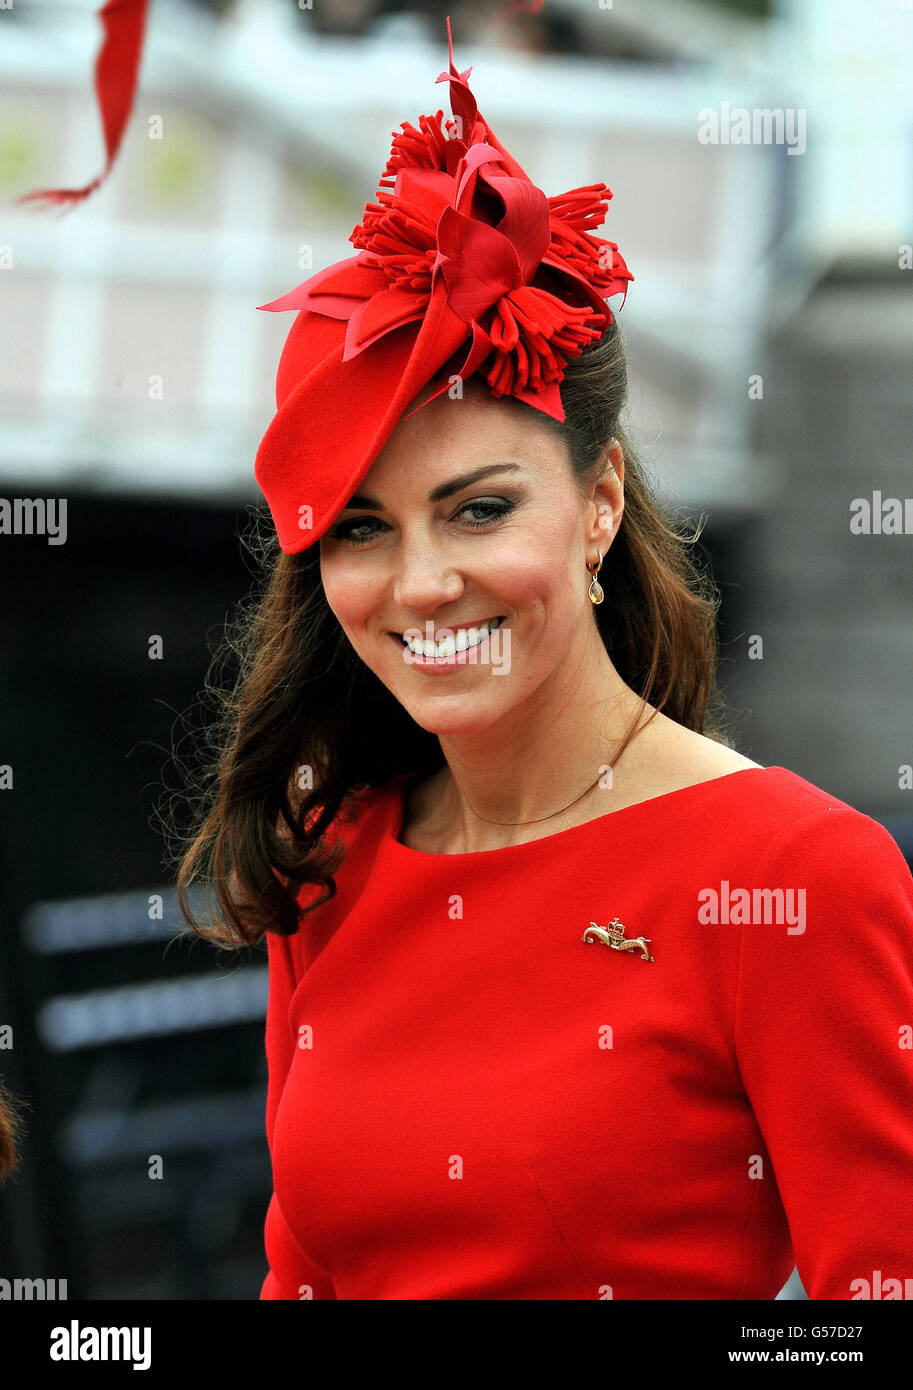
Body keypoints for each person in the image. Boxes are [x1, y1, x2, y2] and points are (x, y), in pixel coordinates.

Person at [175, 20, 913, 1300]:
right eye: (359, 527)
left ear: (599, 501)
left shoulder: (799, 878)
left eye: (476, 509)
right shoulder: (335, 850)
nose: (418, 584)